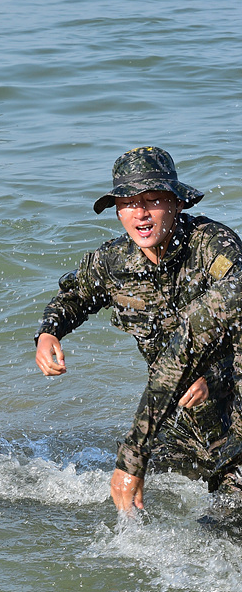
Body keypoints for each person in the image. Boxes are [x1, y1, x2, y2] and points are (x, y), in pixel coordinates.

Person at [35, 146, 242, 511]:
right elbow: (74, 296)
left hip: (235, 414)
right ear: (117, 211)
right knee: (113, 504)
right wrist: (49, 332)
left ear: (177, 203)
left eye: (153, 200)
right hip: (177, 423)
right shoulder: (113, 262)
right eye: (129, 203)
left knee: (223, 527)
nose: (141, 214)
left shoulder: (213, 247)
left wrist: (214, 375)